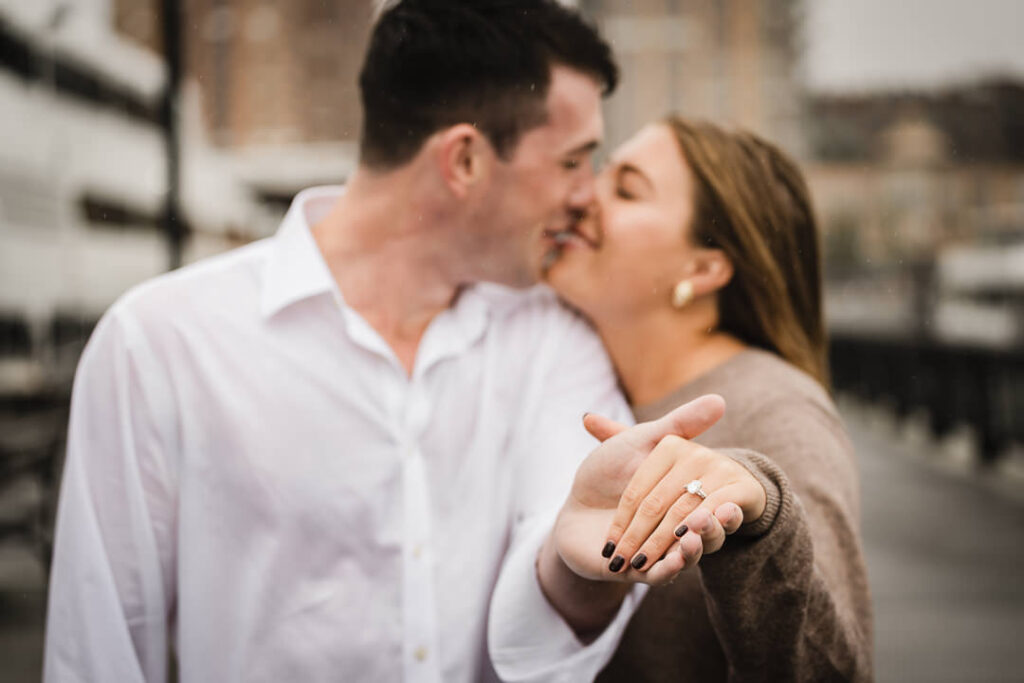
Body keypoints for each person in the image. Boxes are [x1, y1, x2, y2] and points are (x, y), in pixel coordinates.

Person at [44, 3, 733, 681]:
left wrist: (575, 561)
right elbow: (98, 647)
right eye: (574, 162)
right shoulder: (158, 342)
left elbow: (561, 549)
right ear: (464, 159)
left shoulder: (553, 337)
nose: (588, 197)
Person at [544, 116, 874, 681]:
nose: (582, 195)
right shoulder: (568, 369)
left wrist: (761, 515)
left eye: (625, 189)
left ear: (703, 268)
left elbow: (833, 670)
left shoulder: (778, 413)